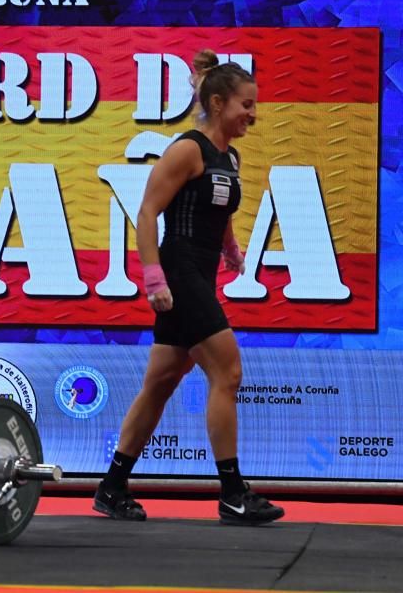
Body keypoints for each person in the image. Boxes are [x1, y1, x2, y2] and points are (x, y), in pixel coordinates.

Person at [93, 51, 285, 526]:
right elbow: (145, 213)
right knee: (229, 373)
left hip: (200, 272)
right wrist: (153, 278)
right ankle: (233, 493)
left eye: (254, 105)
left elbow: (218, 211)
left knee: (159, 383)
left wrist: (233, 250)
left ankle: (112, 486)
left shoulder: (228, 156)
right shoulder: (187, 149)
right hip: (177, 273)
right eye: (246, 105)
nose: (253, 115)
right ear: (218, 103)